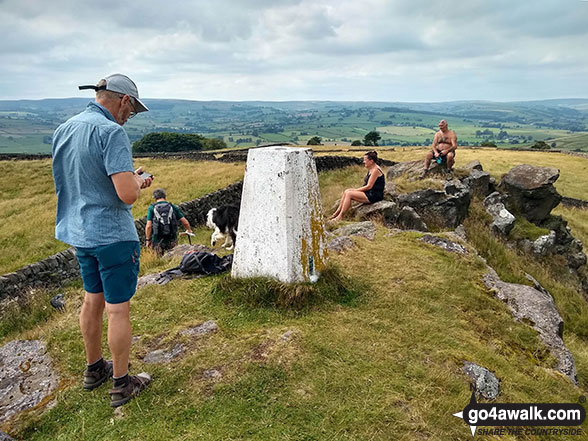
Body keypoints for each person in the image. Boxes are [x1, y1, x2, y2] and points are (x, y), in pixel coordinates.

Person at [52, 73, 153, 408]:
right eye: (132, 109)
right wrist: (139, 181)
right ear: (123, 100)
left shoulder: (65, 129)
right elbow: (126, 195)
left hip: (80, 233)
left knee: (90, 301)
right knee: (117, 309)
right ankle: (122, 384)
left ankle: (94, 369)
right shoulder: (111, 132)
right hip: (112, 236)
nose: (130, 116)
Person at [328, 151, 385, 223]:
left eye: (365, 160)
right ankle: (336, 214)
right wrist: (354, 190)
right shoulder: (371, 168)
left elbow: (369, 186)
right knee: (347, 191)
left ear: (371, 161)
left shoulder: (375, 170)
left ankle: (340, 217)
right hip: (369, 192)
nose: (364, 162)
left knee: (350, 194)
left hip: (374, 195)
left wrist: (356, 190)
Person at [145, 188, 193, 255]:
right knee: (173, 257)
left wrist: (148, 240)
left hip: (157, 239)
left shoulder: (151, 208)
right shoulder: (172, 206)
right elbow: (184, 221)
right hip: (172, 238)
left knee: (158, 261)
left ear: (154, 198)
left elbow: (149, 226)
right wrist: (188, 230)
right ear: (165, 196)